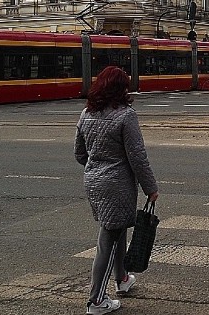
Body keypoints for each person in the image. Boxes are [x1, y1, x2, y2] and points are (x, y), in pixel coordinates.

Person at [75, 66, 159, 315]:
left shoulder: (86, 114)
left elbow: (79, 154)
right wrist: (150, 187)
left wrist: (98, 166)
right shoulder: (125, 115)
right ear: (119, 88)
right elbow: (137, 157)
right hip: (117, 184)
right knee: (109, 239)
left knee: (117, 228)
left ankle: (122, 278)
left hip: (94, 181)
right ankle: (96, 301)